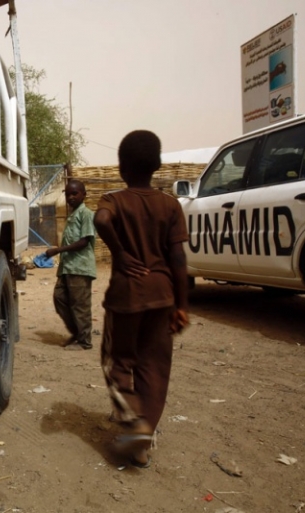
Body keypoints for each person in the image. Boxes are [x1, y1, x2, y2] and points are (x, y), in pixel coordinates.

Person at [93, 130, 189, 469]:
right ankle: (142, 442)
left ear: (122, 167)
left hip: (127, 296)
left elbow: (101, 220)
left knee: (118, 361)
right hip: (163, 296)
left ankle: (135, 425)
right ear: (157, 165)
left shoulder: (114, 200)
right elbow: (178, 258)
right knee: (154, 368)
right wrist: (182, 305)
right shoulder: (170, 205)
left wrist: (119, 252)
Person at [43, 179, 96, 350]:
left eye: (74, 193)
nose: (71, 197)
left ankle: (84, 341)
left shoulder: (86, 214)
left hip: (80, 267)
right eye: (67, 194)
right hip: (68, 267)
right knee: (59, 297)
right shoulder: (73, 215)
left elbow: (84, 241)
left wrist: (58, 250)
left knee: (80, 305)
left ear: (84, 194)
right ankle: (77, 333)